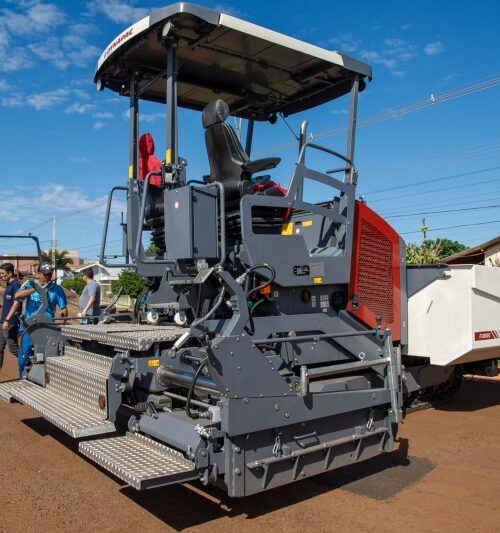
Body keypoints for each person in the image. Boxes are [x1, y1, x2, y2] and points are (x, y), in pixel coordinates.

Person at [15, 263, 67, 378]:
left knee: (44, 358)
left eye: (49, 274)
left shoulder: (57, 289)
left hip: (47, 328)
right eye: (45, 274)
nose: (47, 277)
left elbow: (63, 309)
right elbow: (17, 295)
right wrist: (34, 289)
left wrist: (62, 326)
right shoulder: (30, 284)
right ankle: (22, 378)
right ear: (38, 274)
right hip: (29, 328)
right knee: (23, 359)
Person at [0, 263, 21, 370]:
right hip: (3, 321)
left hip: (10, 322)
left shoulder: (16, 285)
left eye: (3, 273)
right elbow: (9, 303)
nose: (1, 276)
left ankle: (29, 363)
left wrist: (7, 320)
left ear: (10, 273)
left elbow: (17, 304)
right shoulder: (8, 285)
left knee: (13, 348)